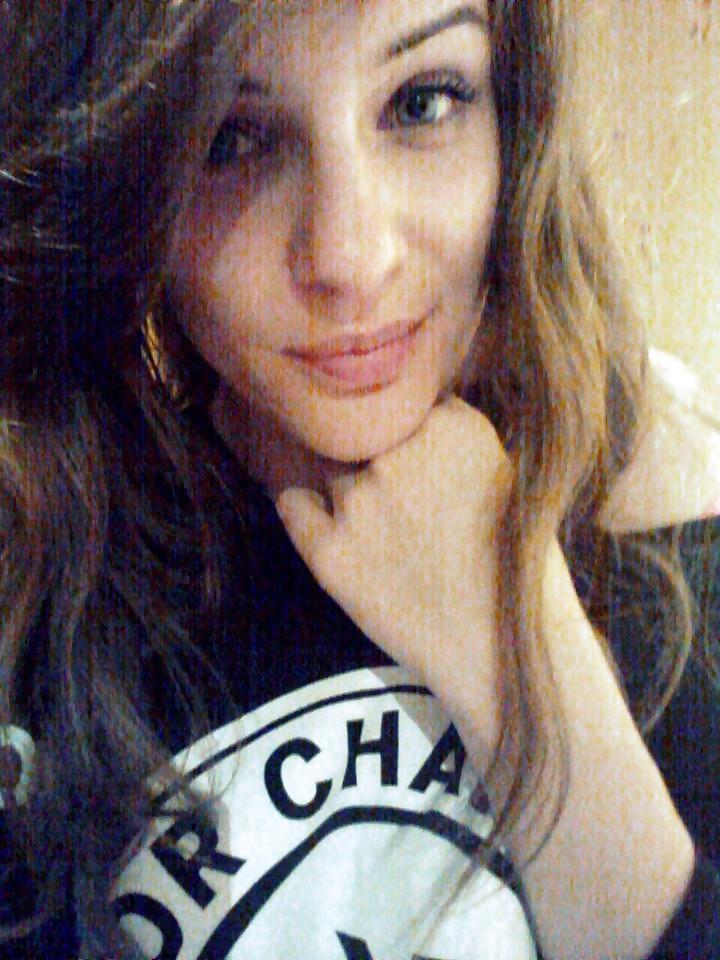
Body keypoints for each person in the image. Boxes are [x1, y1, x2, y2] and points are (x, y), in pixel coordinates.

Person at [0, 1, 718, 957]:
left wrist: (522, 660)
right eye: (228, 138)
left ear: (517, 117)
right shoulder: (50, 588)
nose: (350, 258)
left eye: (423, 101)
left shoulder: (679, 518)